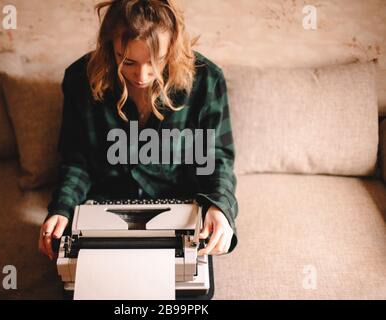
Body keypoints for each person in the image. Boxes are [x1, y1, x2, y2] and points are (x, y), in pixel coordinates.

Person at [39, 0, 238, 260]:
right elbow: (77, 159)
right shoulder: (80, 79)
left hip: (179, 204)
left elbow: (215, 158)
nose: (142, 76)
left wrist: (219, 206)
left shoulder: (207, 80)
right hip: (104, 203)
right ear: (109, 45)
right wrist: (61, 209)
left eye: (156, 61)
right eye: (128, 61)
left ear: (174, 47)